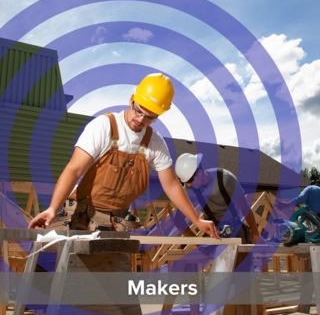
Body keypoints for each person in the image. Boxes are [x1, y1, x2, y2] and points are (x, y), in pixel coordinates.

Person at [28, 73, 219, 238]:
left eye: (150, 117)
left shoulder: (155, 142)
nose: (140, 120)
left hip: (116, 221)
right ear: (131, 99)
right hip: (80, 215)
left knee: (114, 278)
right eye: (138, 111)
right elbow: (74, 169)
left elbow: (171, 185)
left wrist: (196, 220)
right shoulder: (104, 126)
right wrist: (53, 208)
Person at [175, 153, 260, 244]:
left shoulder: (225, 179)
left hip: (234, 227)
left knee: (243, 256)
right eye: (184, 182)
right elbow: (178, 220)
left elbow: (244, 207)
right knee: (213, 258)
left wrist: (255, 235)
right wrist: (197, 242)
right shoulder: (189, 190)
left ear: (199, 172)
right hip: (212, 230)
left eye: (190, 180)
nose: (188, 185)